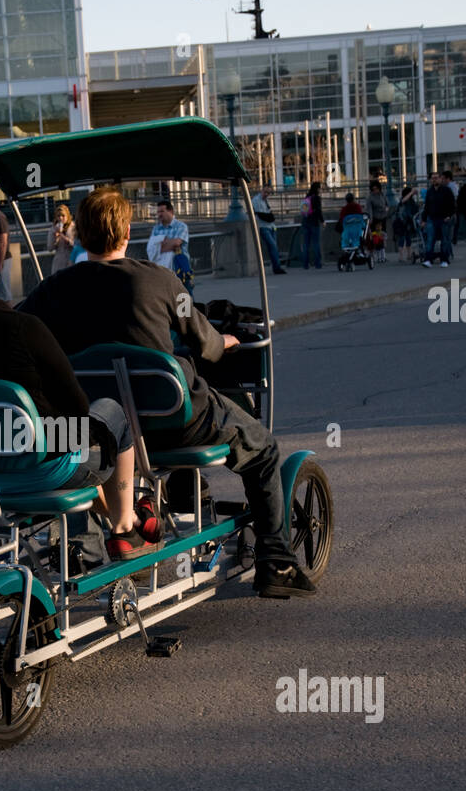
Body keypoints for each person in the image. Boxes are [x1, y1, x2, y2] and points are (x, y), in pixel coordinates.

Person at [20, 186, 317, 599]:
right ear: (127, 231)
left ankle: (147, 521)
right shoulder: (159, 280)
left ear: (81, 234)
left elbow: (20, 332)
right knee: (262, 447)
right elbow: (206, 345)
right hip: (173, 425)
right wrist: (227, 342)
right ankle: (276, 560)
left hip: (98, 430)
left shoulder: (53, 290)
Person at [0, 208, 164, 564]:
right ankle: (124, 527)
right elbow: (77, 411)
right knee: (109, 415)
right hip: (34, 465)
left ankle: (120, 522)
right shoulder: (20, 327)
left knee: (57, 434)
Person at [420, 171, 455, 267]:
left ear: (440, 179)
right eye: (433, 178)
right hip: (432, 218)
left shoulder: (446, 190)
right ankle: (428, 259)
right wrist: (423, 220)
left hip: (444, 219)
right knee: (430, 239)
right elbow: (426, 207)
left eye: (436, 177)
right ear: (430, 180)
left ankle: (444, 259)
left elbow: (452, 205)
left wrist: (449, 215)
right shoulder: (429, 192)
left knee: (444, 239)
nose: (434, 179)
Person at [251, 184, 285, 274]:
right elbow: (261, 214)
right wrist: (270, 217)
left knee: (273, 247)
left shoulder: (266, 200)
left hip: (271, 226)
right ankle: (277, 267)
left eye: (268, 193)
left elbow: (269, 212)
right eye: (265, 192)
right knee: (273, 246)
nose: (266, 194)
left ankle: (276, 266)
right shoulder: (256, 200)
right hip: (263, 227)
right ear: (261, 190)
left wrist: (270, 217)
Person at [393, 185, 420, 263]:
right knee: (402, 238)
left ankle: (408, 255)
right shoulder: (404, 200)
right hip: (401, 222)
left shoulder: (411, 201)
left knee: (408, 238)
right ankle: (401, 256)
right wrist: (411, 192)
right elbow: (403, 201)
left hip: (408, 222)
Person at [47, 203, 76, 274]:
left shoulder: (74, 228)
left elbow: (78, 245)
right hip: (59, 263)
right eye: (58, 216)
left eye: (63, 216)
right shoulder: (53, 229)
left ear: (67, 216)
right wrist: (56, 237)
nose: (60, 218)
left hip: (72, 261)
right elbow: (50, 248)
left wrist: (64, 237)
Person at [300, 182, 324, 268]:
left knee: (306, 244)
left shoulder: (307, 197)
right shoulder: (317, 198)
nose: (321, 190)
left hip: (305, 222)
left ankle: (305, 264)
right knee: (315, 243)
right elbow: (318, 211)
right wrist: (322, 221)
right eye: (320, 188)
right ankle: (317, 263)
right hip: (314, 223)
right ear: (317, 189)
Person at [366, 180, 388, 262]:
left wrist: (386, 209)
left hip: (383, 217)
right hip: (375, 218)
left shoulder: (382, 194)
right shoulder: (370, 197)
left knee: (382, 237)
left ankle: (383, 255)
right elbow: (369, 209)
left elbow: (386, 203)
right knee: (375, 237)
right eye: (373, 189)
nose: (375, 190)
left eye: (376, 189)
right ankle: (374, 255)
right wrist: (370, 219)